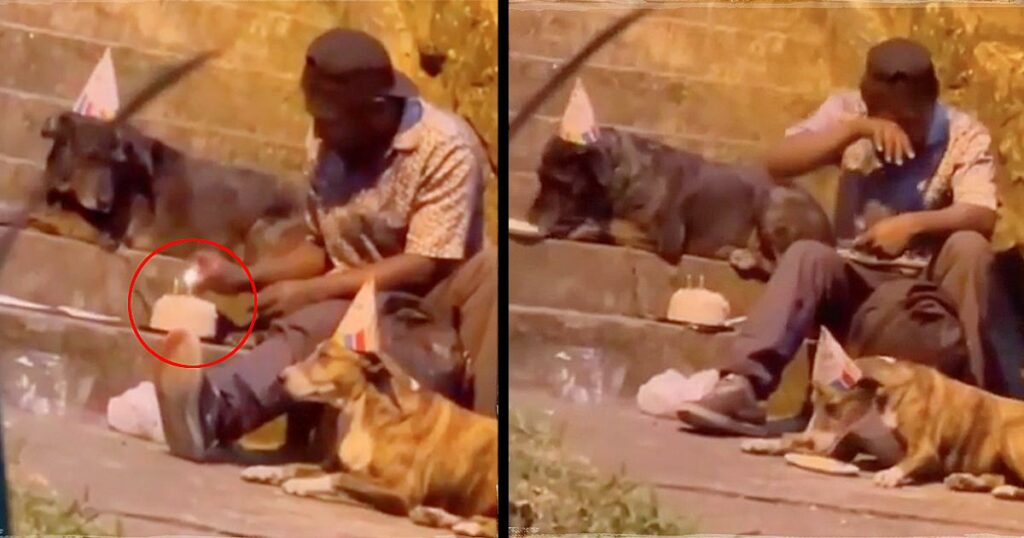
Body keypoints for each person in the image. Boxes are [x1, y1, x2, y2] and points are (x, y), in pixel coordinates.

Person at [154, 28, 496, 462]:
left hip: (428, 303)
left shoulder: (444, 147)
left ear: (376, 112)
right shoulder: (329, 142)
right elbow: (323, 245)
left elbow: (424, 265)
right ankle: (203, 408)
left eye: (330, 119)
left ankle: (213, 407)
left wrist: (314, 291)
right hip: (355, 292)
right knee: (326, 309)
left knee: (328, 315)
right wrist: (244, 278)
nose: (317, 130)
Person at [677, 37, 1023, 436]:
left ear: (931, 104)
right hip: (857, 280)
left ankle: (972, 409)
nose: (900, 132)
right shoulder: (848, 113)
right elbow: (776, 162)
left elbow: (982, 214)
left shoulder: (964, 133)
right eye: (888, 121)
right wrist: (854, 130)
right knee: (808, 255)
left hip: (926, 295)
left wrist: (912, 225)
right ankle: (742, 386)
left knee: (971, 247)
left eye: (911, 121)